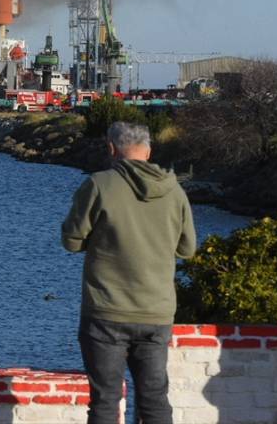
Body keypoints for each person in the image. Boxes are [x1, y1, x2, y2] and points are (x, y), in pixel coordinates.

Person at [61, 121, 196, 424]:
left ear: (111, 148)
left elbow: (71, 241)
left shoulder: (99, 185)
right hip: (156, 311)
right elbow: (187, 249)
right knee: (155, 399)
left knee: (106, 400)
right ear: (149, 151)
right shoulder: (174, 191)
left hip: (107, 311)